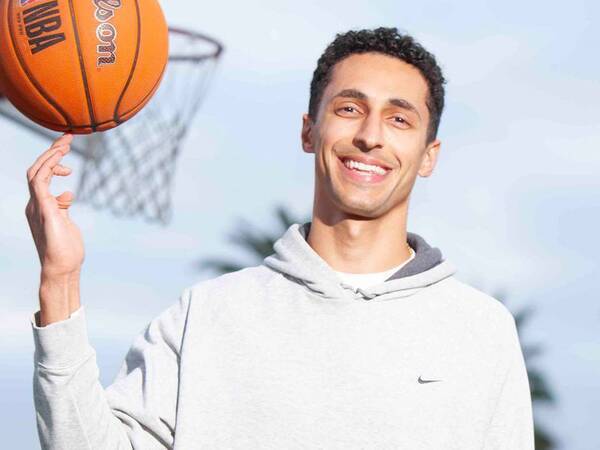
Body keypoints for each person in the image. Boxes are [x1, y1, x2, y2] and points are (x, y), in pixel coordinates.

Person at [26, 27, 534, 449]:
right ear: (309, 131)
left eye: (399, 119)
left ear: (428, 155)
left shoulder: (481, 331)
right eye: (350, 109)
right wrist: (60, 281)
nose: (371, 136)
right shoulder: (204, 315)